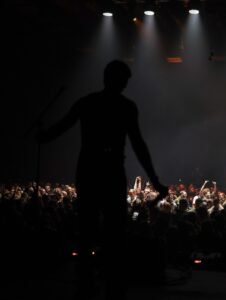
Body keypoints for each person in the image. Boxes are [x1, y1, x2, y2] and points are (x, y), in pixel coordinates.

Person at [37, 60, 168, 299]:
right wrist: (155, 180)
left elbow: (60, 127)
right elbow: (138, 145)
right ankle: (112, 285)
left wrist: (43, 136)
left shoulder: (87, 102)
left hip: (88, 169)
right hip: (111, 171)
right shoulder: (126, 107)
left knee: (87, 229)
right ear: (118, 79)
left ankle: (86, 283)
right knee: (113, 232)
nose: (126, 84)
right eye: (125, 80)